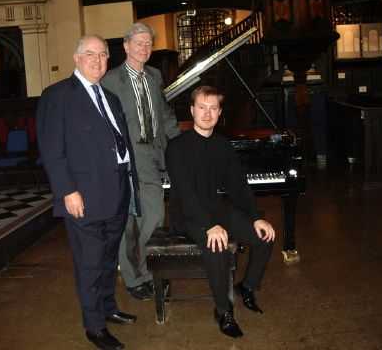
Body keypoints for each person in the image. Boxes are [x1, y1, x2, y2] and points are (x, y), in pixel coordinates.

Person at [36, 34, 140, 350]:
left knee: (109, 258)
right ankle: (94, 327)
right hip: (84, 196)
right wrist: (67, 191)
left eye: (103, 55)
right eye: (91, 54)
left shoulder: (110, 97)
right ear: (76, 57)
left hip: (117, 191)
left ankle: (107, 308)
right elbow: (52, 149)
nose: (98, 61)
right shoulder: (57, 95)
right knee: (90, 262)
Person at [165, 85, 275, 338]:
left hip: (215, 207)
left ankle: (246, 287)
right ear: (192, 110)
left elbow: (238, 184)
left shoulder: (223, 146)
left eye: (213, 108)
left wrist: (257, 215)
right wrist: (207, 225)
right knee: (217, 244)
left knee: (264, 237)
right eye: (202, 107)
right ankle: (223, 310)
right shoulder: (176, 147)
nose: (207, 113)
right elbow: (186, 193)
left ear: (219, 112)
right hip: (187, 214)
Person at [101, 22, 181, 301]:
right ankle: (133, 278)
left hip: (150, 156)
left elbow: (164, 111)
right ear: (126, 46)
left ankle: (149, 271)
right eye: (139, 43)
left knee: (155, 215)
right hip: (122, 158)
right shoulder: (110, 79)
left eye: (149, 44)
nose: (145, 49)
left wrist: (181, 140)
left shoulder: (155, 75)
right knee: (125, 224)